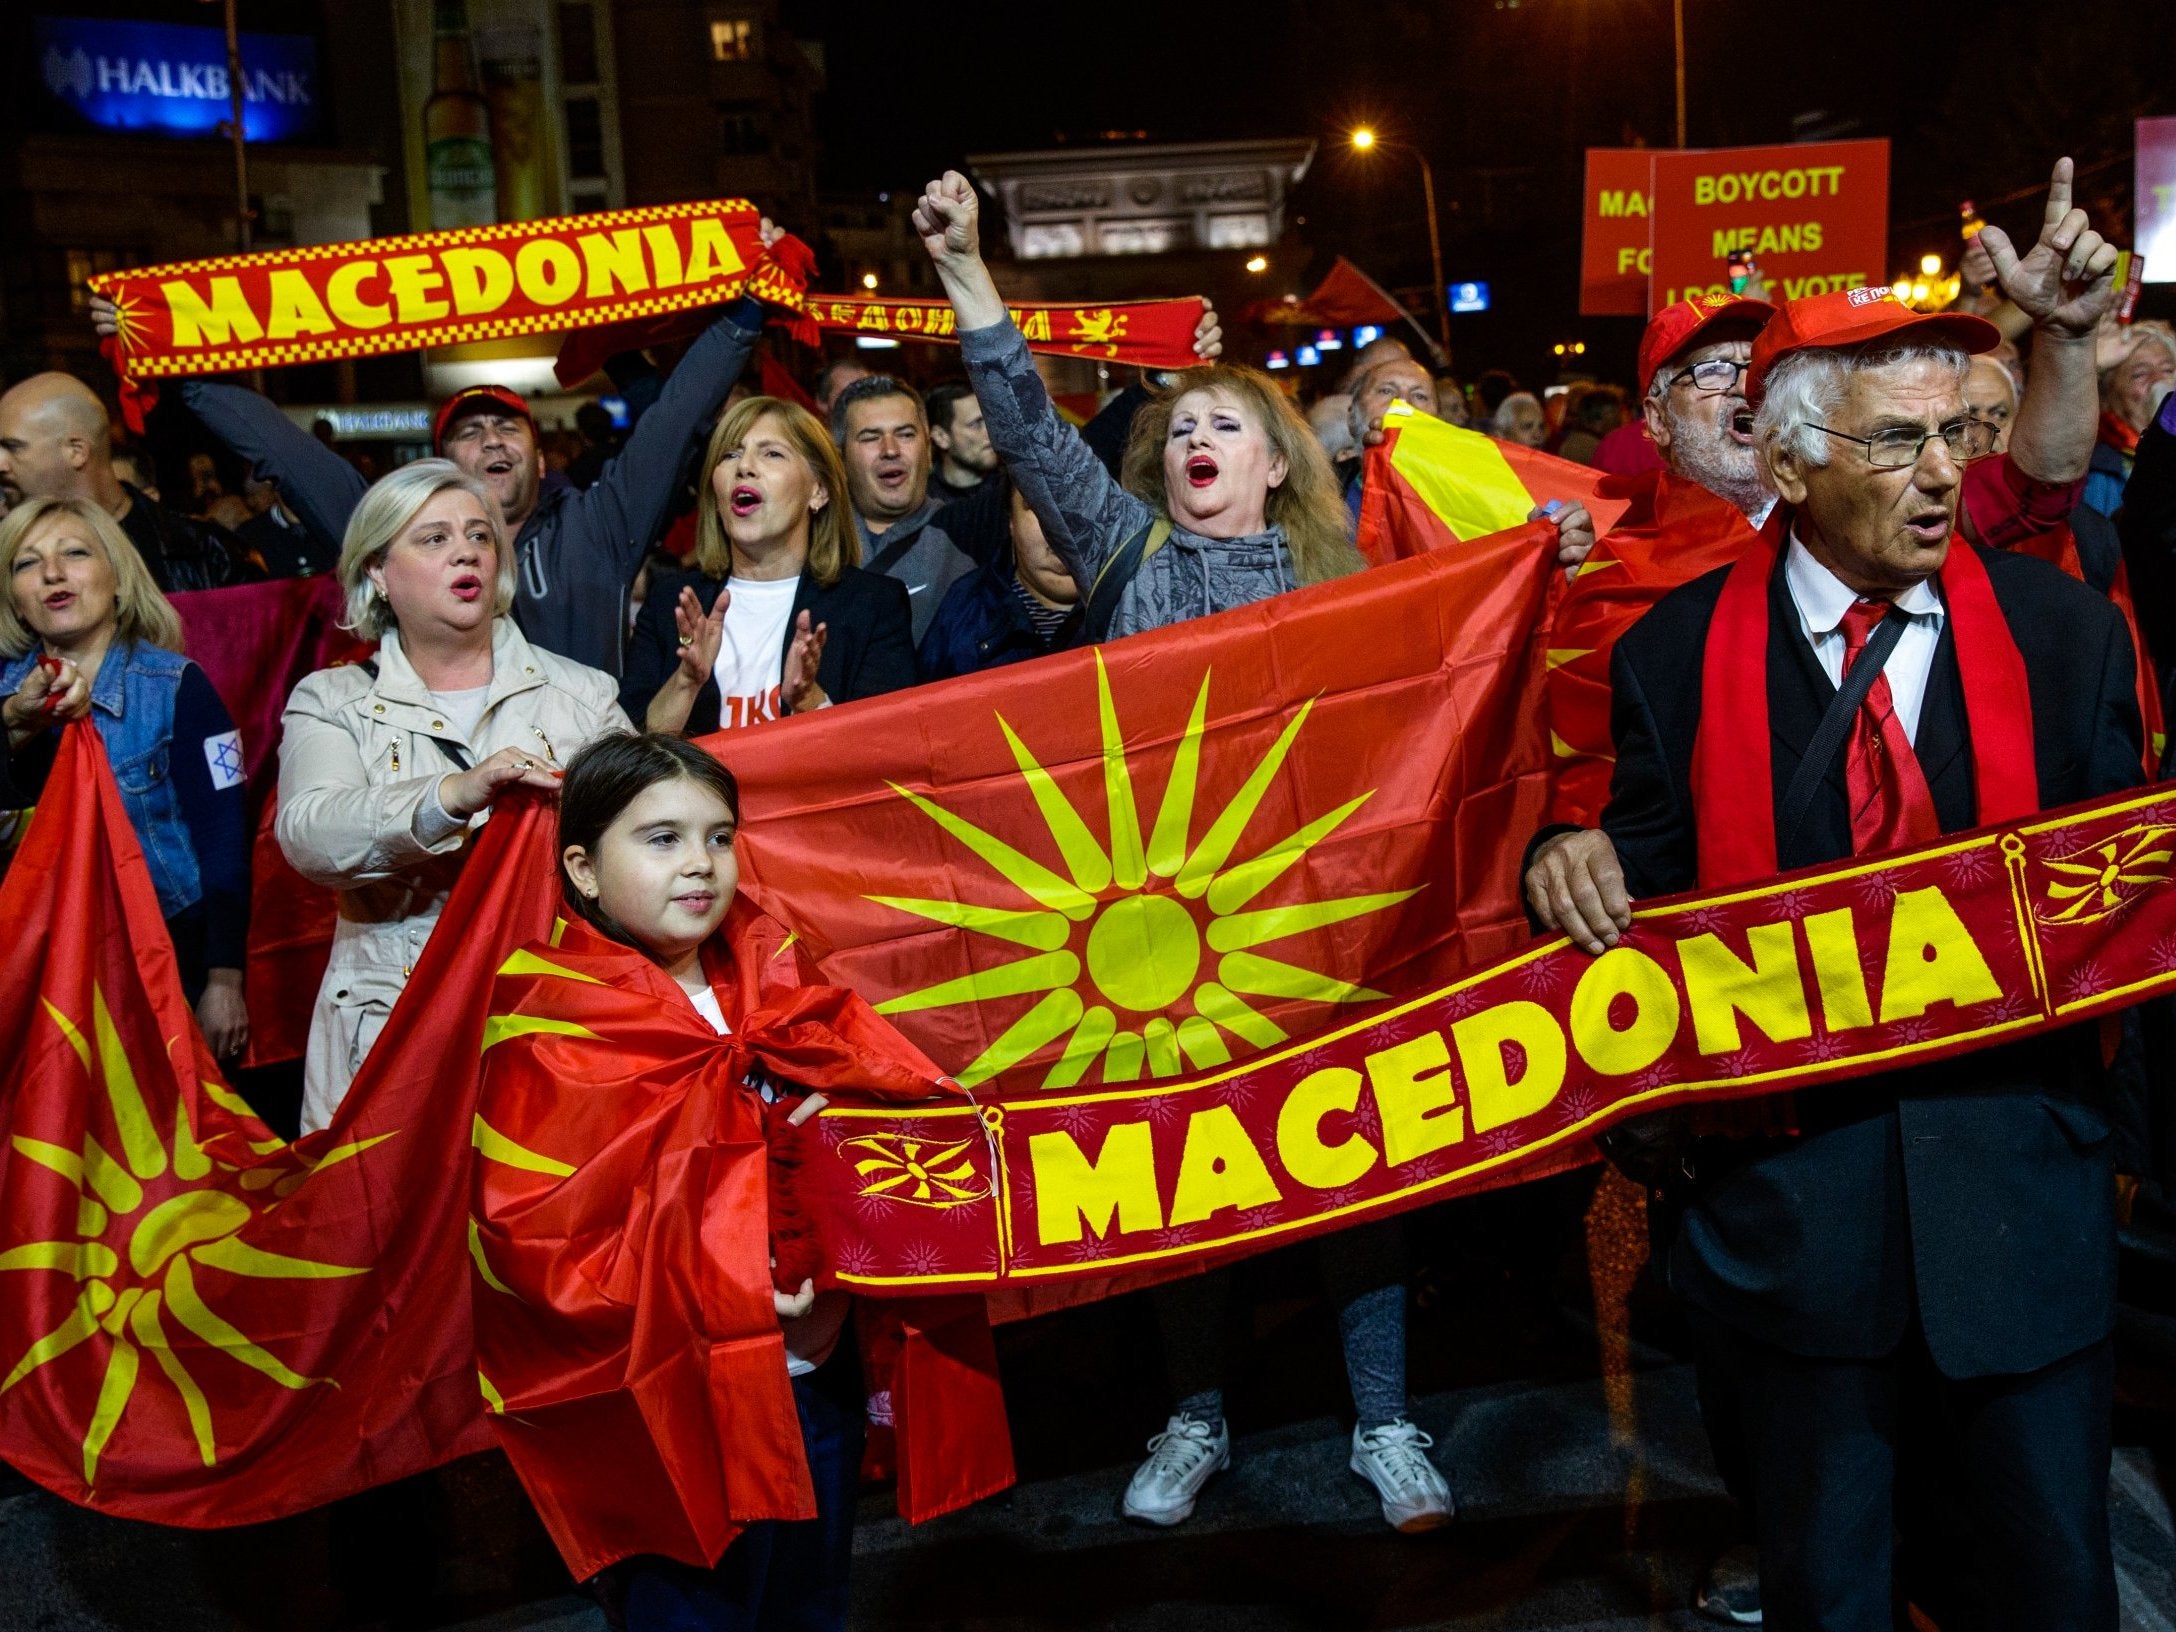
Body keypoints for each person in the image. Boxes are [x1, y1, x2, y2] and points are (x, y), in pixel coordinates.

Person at [1527, 231, 2132, 1631]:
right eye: (1898, 445)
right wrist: (1564, 853)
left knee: (2052, 1592)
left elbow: (2123, 920)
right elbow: (1642, 884)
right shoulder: (1666, 658)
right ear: (1789, 465)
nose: (1940, 476)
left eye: (1953, 438)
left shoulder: (2061, 638)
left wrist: (2124, 1161)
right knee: (1831, 1598)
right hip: (1791, 1233)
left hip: (2021, 1212)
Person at [917, 166, 1455, 1531]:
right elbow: (1033, 433)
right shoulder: (1124, 553)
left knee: (1358, 1171)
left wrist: (1542, 556)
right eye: (1187, 428)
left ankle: (1385, 1424)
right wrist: (971, 276)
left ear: (1281, 463)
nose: (1200, 438)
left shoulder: (1347, 587)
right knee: (1186, 1171)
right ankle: (1195, 1417)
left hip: (1326, 927)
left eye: (1230, 424)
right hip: (1163, 931)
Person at [474, 732, 977, 1632]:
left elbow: (872, 1104)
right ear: (583, 869)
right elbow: (538, 1245)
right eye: (661, 839)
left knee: (810, 1602)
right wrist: (728, 1281)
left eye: (718, 835)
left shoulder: (776, 970)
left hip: (811, 1373)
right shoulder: (552, 1024)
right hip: (677, 1408)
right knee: (695, 1614)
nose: (700, 864)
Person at [92, 221, 787, 675]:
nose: (490, 438)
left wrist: (746, 315)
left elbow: (675, 421)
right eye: (468, 432)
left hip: (579, 793)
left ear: (540, 459)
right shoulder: (396, 535)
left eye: (507, 428)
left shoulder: (597, 529)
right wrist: (172, 360)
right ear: (436, 466)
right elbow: (287, 452)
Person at [276, 459, 629, 1132]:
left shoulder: (584, 694)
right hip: (387, 1032)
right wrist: (451, 795)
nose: (465, 550)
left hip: (552, 1027)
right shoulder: (332, 700)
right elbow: (309, 838)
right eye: (433, 538)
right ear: (378, 570)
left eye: (479, 535)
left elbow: (636, 850)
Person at [0, 497, 250, 1058]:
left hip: (165, 959)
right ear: (15, 602)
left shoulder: (180, 685)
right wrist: (15, 722)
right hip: (31, 977)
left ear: (118, 578)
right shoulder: (5, 701)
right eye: (26, 563)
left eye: (75, 553)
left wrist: (224, 980)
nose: (53, 573)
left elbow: (225, 837)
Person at [622, 396, 915, 735]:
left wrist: (808, 699)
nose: (744, 467)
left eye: (772, 453)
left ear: (818, 491)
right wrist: (686, 683)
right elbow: (632, 751)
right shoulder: (671, 604)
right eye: (730, 454)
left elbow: (888, 748)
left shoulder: (873, 603)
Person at [0, 373, 260, 593]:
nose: (1, 463)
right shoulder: (6, 553)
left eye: (12, 447)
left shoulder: (206, 553)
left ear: (76, 451)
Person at [829, 377, 975, 644]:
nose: (890, 450)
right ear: (840, 458)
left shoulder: (968, 531)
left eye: (906, 434)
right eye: (870, 438)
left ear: (929, 449)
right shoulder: (812, 539)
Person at [917, 479, 1083, 680]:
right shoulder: (963, 608)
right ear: (1011, 521)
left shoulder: (1128, 603)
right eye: (1041, 509)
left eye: (1079, 506)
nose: (1062, 534)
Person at [2084, 320, 2176, 517]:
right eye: (2140, 374)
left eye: (2168, 370)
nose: (2159, 381)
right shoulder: (2098, 471)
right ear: (2108, 395)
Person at [925, 381, 998, 502]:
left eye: (989, 420)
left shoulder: (1016, 489)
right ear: (941, 437)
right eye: (976, 424)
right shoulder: (923, 501)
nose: (990, 432)